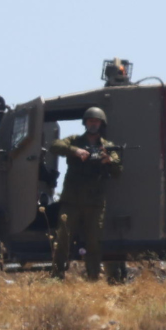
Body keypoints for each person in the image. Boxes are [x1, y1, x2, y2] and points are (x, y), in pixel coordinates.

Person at [49, 107, 122, 280]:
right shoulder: (75, 140)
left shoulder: (108, 146)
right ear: (85, 123)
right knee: (63, 239)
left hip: (95, 202)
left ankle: (93, 277)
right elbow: (55, 146)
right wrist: (75, 151)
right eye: (90, 121)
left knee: (94, 242)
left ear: (101, 124)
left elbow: (118, 171)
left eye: (96, 121)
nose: (93, 124)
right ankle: (57, 275)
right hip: (71, 200)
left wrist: (109, 161)